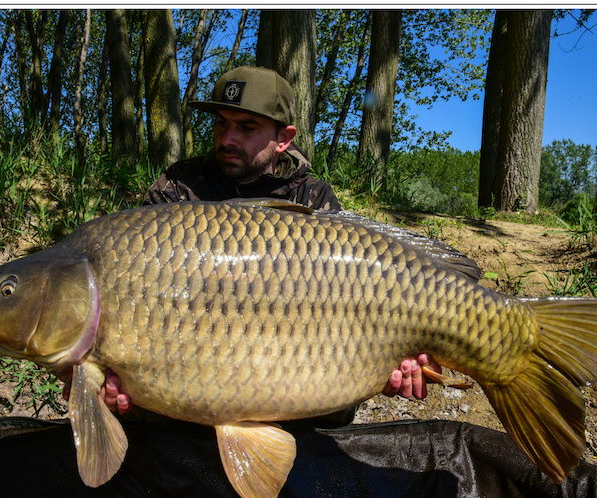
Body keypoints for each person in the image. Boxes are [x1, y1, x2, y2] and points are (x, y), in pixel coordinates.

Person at [100, 66, 440, 417]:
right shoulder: (179, 187)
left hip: (297, 384)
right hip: (191, 378)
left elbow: (355, 310)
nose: (228, 138)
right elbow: (133, 291)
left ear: (284, 138)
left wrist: (390, 363)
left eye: (247, 127)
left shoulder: (314, 198)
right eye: (221, 123)